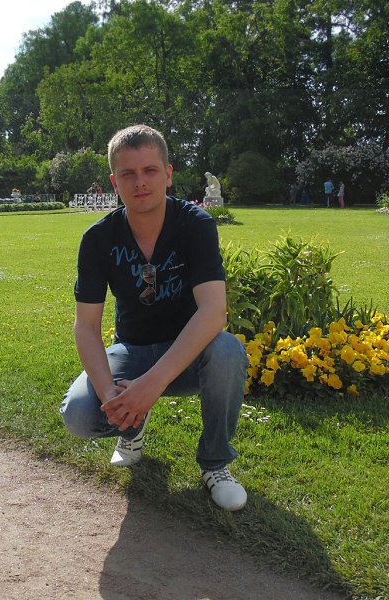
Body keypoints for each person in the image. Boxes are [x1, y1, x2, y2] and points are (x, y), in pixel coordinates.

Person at [60, 124, 249, 511]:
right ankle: (131, 427)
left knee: (227, 351)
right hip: (132, 351)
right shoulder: (98, 239)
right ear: (115, 182)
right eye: (128, 173)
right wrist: (112, 395)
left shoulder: (195, 225)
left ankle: (215, 464)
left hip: (190, 354)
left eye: (150, 170)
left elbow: (214, 311)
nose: (140, 182)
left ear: (168, 174)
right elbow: (87, 326)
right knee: (79, 415)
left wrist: (152, 384)